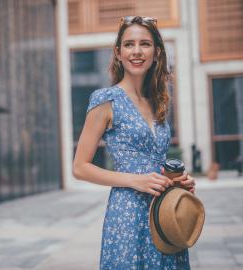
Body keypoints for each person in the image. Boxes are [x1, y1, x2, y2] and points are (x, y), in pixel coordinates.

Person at [72, 16, 196, 269]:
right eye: (129, 44)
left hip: (165, 211)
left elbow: (156, 160)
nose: (137, 51)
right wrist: (134, 180)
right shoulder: (105, 99)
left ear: (157, 52)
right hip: (127, 214)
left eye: (145, 44)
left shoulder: (159, 100)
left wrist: (180, 180)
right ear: (118, 53)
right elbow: (80, 167)